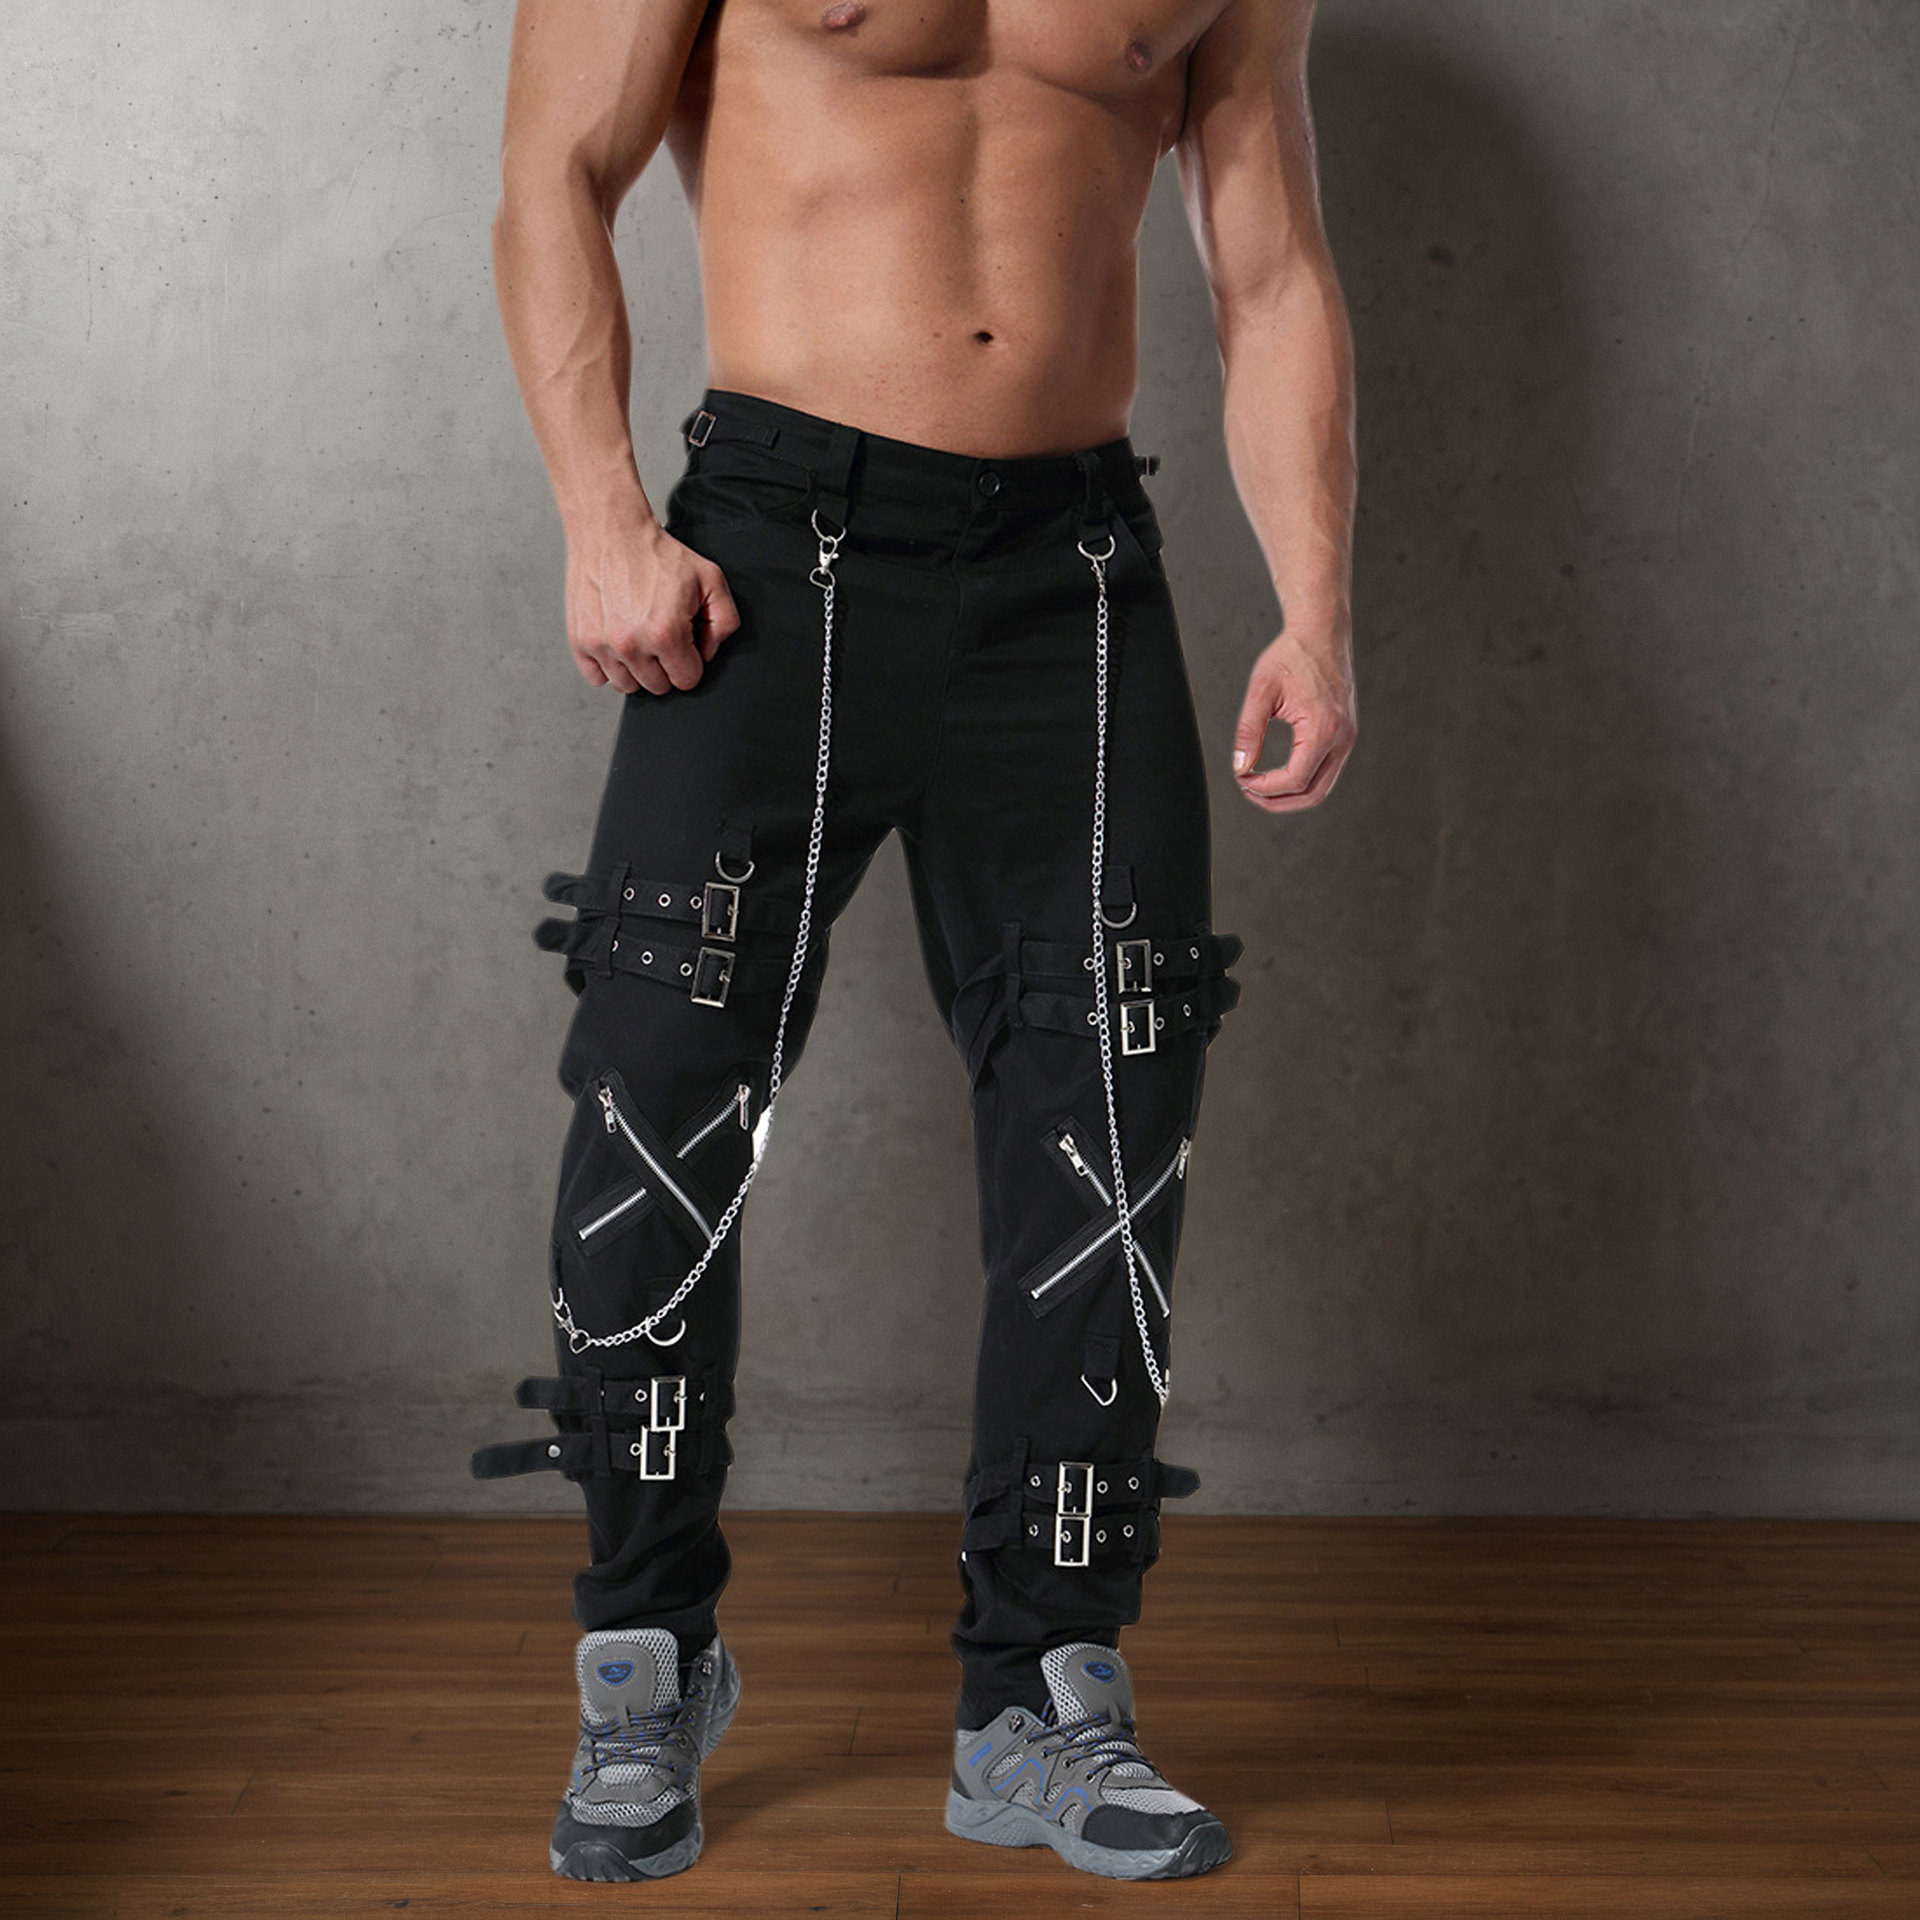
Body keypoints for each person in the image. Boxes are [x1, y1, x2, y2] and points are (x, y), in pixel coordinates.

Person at [471, 0, 1357, 1886]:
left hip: (1074, 574)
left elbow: (1272, 271)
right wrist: (602, 517)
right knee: (656, 1098)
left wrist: (1316, 611)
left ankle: (1039, 1693)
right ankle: (645, 1654)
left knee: (1109, 1122)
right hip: (771, 549)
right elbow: (555, 171)